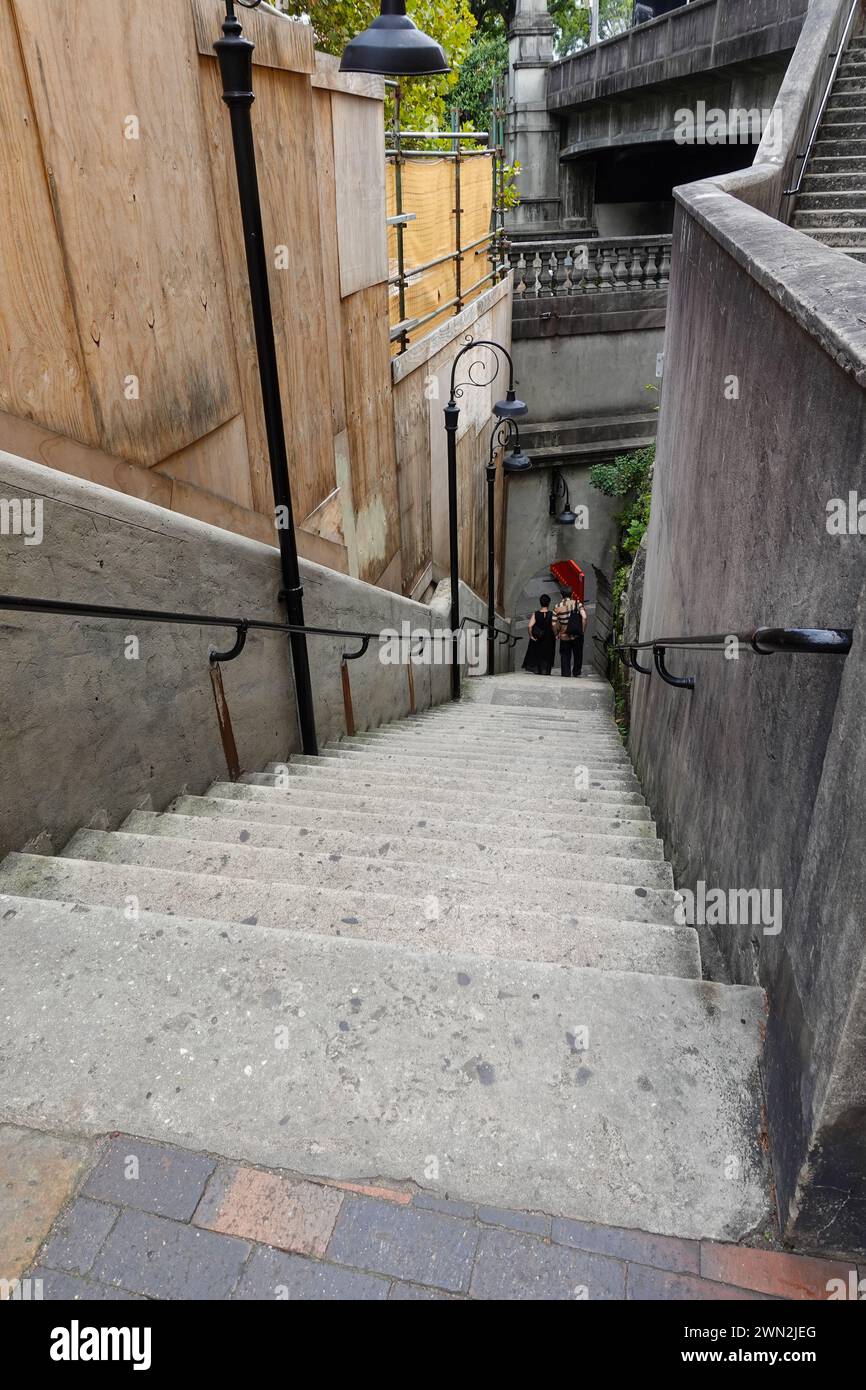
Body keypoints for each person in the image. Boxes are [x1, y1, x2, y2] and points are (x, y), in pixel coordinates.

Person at [553, 587, 588, 677]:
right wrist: (582, 630)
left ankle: (566, 674)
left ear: (561, 595)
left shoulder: (557, 607)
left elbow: (553, 624)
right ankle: (576, 672)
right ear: (572, 594)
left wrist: (556, 633)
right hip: (577, 635)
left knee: (565, 655)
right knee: (578, 654)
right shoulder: (577, 604)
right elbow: (584, 617)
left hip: (564, 636)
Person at [521, 593, 556, 675]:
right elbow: (554, 625)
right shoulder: (552, 614)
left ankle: (538, 669)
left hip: (538, 639)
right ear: (549, 603)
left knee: (538, 654)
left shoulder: (536, 614)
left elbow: (530, 626)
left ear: (540, 603)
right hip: (549, 639)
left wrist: (531, 636)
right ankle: (546, 671)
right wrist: (556, 634)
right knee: (548, 655)